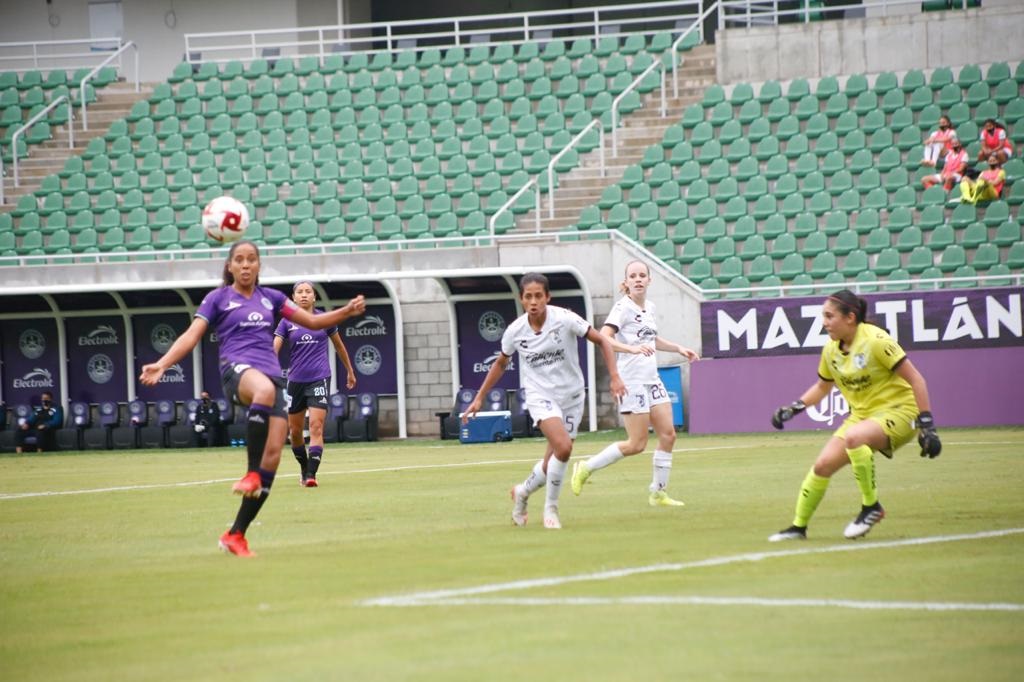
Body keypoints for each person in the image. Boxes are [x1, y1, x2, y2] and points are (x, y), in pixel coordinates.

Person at [139, 240, 365, 557]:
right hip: (237, 372)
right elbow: (192, 334)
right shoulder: (217, 299)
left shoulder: (272, 299)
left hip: (270, 379)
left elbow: (313, 322)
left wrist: (346, 311)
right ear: (230, 266)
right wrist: (163, 364)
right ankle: (250, 472)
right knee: (264, 393)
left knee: (273, 456)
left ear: (259, 266)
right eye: (239, 260)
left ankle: (236, 534)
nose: (245, 265)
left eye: (252, 260)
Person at [767, 290, 941, 543]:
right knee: (822, 465)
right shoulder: (830, 350)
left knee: (854, 438)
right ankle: (798, 527)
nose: (824, 322)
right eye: (823, 316)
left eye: (829, 316)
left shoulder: (877, 341)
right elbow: (822, 387)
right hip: (862, 416)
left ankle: (871, 507)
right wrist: (793, 408)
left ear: (850, 317)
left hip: (900, 411)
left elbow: (917, 379)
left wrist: (927, 425)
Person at [462, 272, 628, 530]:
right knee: (563, 448)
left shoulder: (564, 319)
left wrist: (615, 376)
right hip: (541, 396)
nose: (533, 301)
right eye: (528, 296)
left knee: (553, 461)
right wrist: (479, 397)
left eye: (538, 295)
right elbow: (501, 363)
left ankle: (522, 493)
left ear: (547, 297)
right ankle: (551, 508)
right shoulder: (515, 331)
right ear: (521, 299)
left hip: (572, 395)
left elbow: (603, 342)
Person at [570, 260, 700, 507]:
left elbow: (651, 338)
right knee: (637, 444)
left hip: (652, 380)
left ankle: (658, 492)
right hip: (632, 382)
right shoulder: (623, 308)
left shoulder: (649, 307)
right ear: (626, 282)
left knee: (668, 435)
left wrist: (678, 348)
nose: (638, 279)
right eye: (633, 276)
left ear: (649, 280)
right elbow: (604, 337)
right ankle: (586, 467)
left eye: (642, 275)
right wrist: (630, 348)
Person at [274, 280, 357, 487]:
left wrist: (350, 371)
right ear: (294, 298)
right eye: (299, 292)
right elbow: (274, 348)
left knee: (316, 427)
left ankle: (311, 475)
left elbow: (339, 347)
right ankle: (304, 468)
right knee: (294, 433)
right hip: (295, 382)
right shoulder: (286, 321)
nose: (303, 295)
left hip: (319, 378)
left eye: (307, 291)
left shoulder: (324, 319)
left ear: (314, 297)